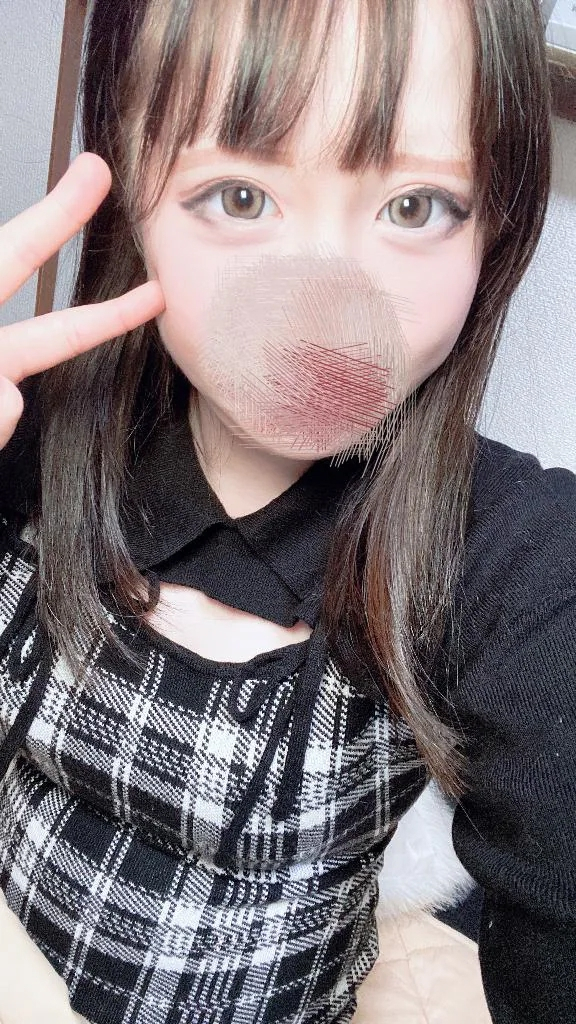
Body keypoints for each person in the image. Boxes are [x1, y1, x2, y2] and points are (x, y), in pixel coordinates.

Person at [0, 0, 574, 1021]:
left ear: (496, 218)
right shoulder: (30, 424)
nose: (321, 308)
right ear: (132, 191)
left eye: (415, 206)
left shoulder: (515, 557)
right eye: (239, 195)